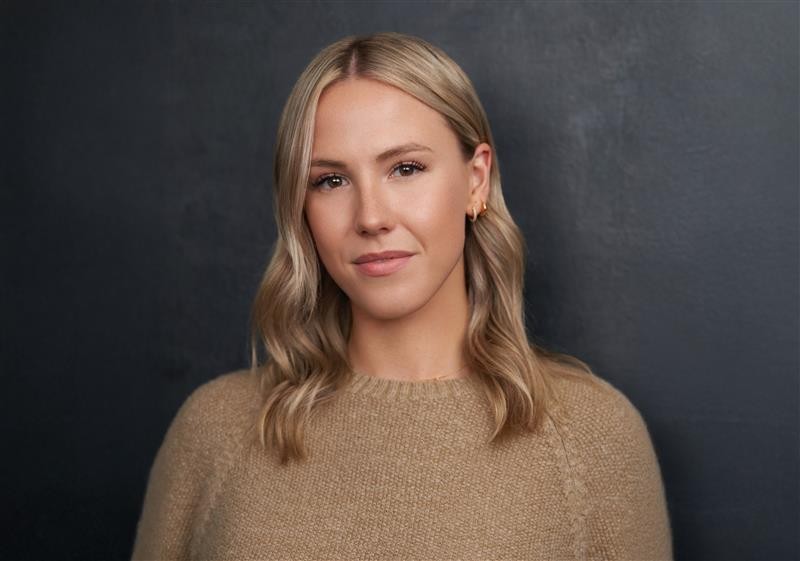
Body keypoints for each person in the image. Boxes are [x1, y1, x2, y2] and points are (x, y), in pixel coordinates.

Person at [131, 31, 673, 560]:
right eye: (330, 181)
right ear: (301, 205)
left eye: (405, 169)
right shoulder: (215, 430)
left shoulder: (593, 441)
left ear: (476, 180)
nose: (371, 217)